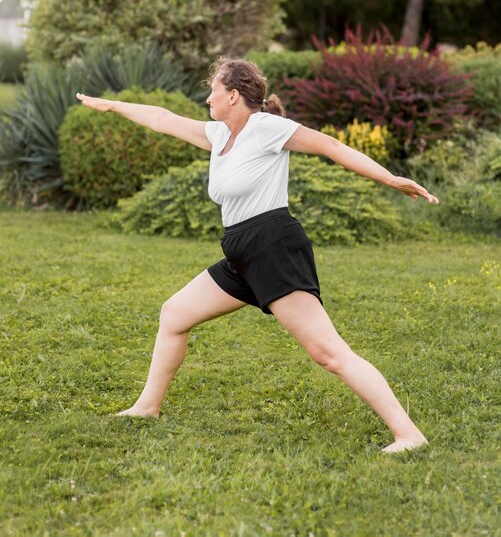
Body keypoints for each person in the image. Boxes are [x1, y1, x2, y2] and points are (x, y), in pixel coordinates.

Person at [76, 57, 439, 453]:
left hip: (272, 247)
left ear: (232, 95)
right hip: (241, 252)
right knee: (175, 314)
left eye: (213, 89)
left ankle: (409, 435)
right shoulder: (218, 136)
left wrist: (389, 178)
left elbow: (330, 147)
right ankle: (147, 407)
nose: (207, 97)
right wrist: (112, 105)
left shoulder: (267, 128)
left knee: (328, 353)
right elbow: (162, 118)